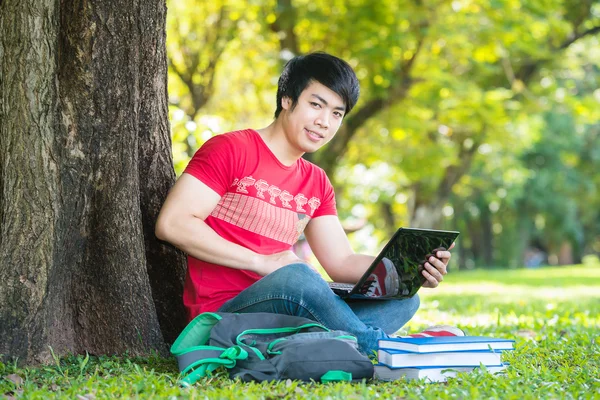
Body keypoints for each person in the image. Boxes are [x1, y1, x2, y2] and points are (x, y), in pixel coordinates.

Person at [155, 52, 460, 354]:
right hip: (225, 314)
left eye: (337, 114)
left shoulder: (317, 181)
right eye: (316, 105)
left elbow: (342, 262)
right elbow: (173, 224)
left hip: (287, 312)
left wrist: (408, 270)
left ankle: (304, 343)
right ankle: (384, 347)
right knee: (297, 274)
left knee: (403, 299)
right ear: (287, 99)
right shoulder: (231, 149)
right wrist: (264, 263)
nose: (324, 122)